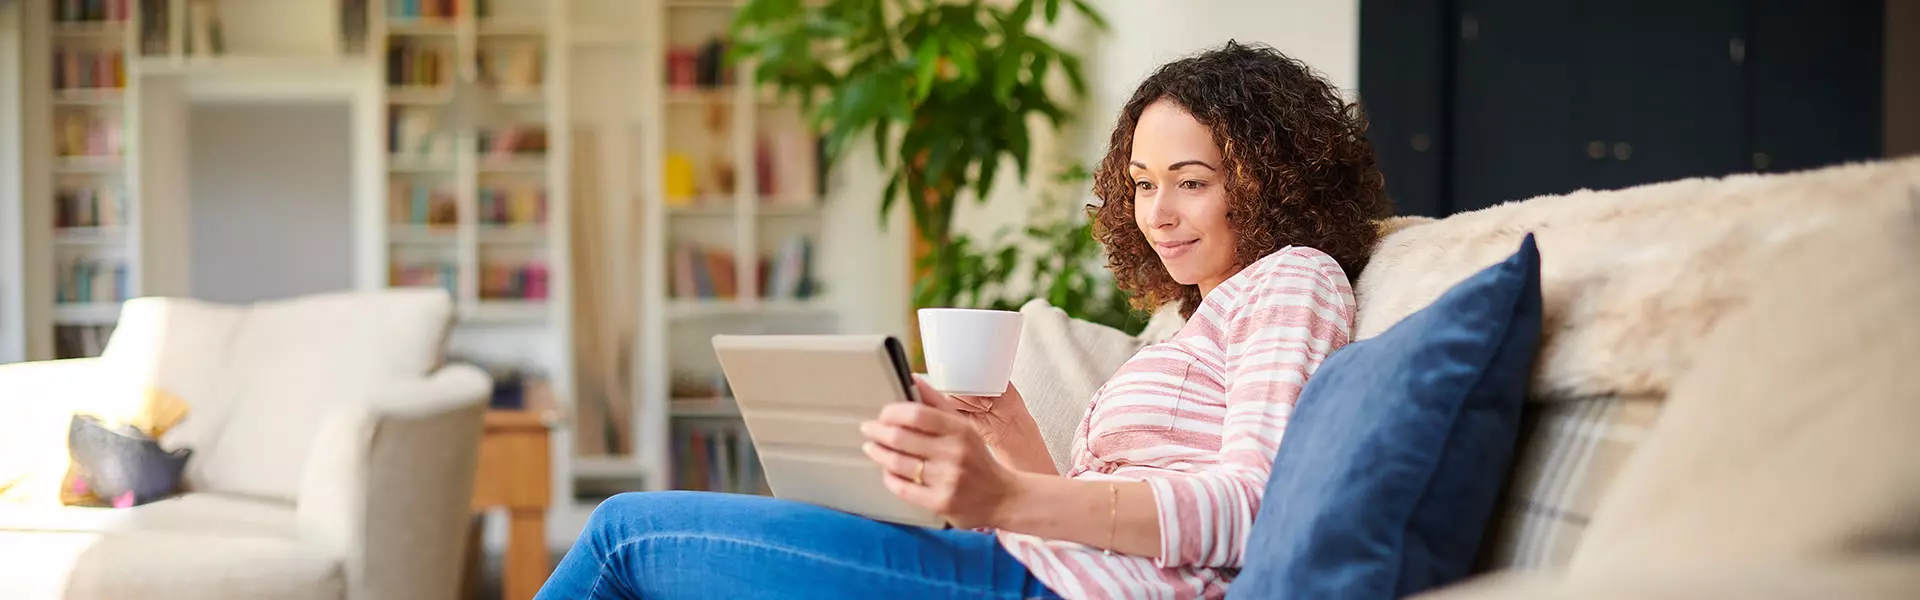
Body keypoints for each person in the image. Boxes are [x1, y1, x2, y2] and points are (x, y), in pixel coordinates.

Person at [534, 40, 1392, 600]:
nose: (1156, 213)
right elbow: (1104, 501)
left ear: (1275, 180)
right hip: (1036, 568)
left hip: (1054, 588)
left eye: (1191, 181)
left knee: (620, 536)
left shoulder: (1293, 280)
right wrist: (1013, 441)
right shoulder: (1193, 318)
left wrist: (1010, 493)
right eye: (1140, 182)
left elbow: (1252, 508)